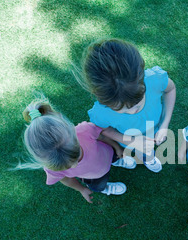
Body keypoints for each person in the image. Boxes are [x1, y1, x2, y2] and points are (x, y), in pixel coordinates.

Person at [75, 38, 177, 173]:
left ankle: (148, 157)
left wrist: (164, 124)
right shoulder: (101, 112)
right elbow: (104, 130)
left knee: (147, 150)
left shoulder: (154, 80)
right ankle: (148, 158)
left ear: (142, 80)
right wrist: (132, 141)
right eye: (121, 110)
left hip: (155, 128)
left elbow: (170, 89)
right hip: (129, 139)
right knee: (143, 151)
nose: (132, 112)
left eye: (137, 103)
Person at [17, 96, 136, 203]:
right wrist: (82, 189)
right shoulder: (51, 168)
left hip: (107, 153)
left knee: (113, 156)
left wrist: (117, 147)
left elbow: (102, 136)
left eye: (76, 157)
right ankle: (104, 188)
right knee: (98, 185)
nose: (74, 166)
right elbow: (66, 180)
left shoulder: (84, 130)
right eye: (67, 167)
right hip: (94, 177)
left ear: (73, 135)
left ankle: (116, 160)